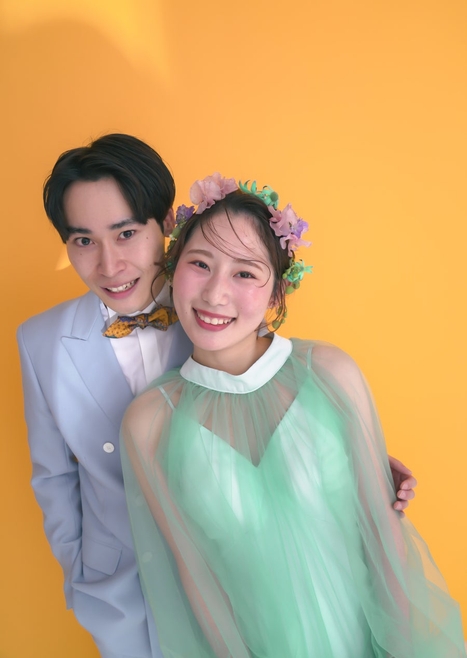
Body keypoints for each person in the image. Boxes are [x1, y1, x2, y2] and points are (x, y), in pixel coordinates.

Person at [17, 138, 414, 658]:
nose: (109, 264)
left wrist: (358, 461)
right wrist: (82, 573)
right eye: (83, 240)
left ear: (166, 226)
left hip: (252, 586)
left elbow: (273, 415)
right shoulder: (40, 342)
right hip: (125, 595)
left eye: (127, 233)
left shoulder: (214, 309)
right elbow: (53, 476)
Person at [121, 174, 466, 658]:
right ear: (173, 270)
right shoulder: (150, 421)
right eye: (200, 264)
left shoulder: (329, 372)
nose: (215, 293)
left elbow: (382, 533)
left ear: (277, 292)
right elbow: (195, 577)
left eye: (245, 273)